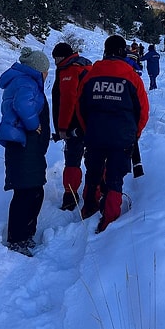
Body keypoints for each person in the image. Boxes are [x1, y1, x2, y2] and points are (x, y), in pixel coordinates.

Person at [77, 35, 149, 233]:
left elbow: (80, 108)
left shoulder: (90, 76)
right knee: (115, 177)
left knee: (93, 174)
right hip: (122, 137)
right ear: (122, 52)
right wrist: (135, 134)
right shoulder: (132, 77)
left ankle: (88, 208)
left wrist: (87, 130)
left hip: (95, 135)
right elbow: (143, 111)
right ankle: (109, 218)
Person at [0, 47, 51, 257]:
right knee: (26, 193)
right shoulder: (27, 82)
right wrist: (33, 124)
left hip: (26, 145)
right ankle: (18, 239)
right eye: (46, 71)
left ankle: (24, 235)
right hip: (24, 144)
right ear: (37, 70)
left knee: (33, 190)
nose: (47, 75)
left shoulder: (23, 80)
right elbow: (22, 105)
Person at [51, 42, 92, 211]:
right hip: (92, 122)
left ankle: (70, 196)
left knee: (73, 160)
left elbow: (68, 101)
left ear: (60, 57)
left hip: (75, 125)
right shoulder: (85, 66)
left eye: (55, 59)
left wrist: (62, 128)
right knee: (94, 159)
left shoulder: (69, 71)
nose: (54, 62)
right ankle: (95, 192)